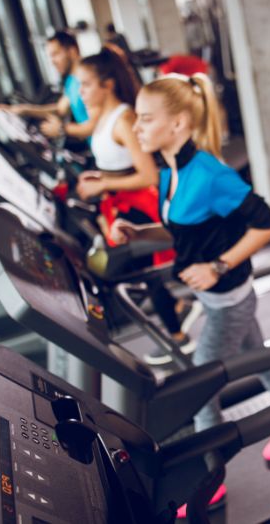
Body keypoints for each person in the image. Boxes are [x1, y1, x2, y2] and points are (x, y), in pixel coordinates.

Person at [110, 73, 270, 515]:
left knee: (201, 389)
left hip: (229, 298)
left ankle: (209, 482)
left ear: (179, 123)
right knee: (259, 357)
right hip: (218, 298)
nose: (138, 128)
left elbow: (267, 224)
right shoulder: (171, 170)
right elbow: (183, 230)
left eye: (147, 119)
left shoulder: (209, 173)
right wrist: (140, 233)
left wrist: (217, 266)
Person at [76, 46, 191, 353]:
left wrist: (104, 185)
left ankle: (178, 337)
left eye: (85, 85)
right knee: (145, 273)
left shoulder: (124, 119)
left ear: (107, 84)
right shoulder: (102, 117)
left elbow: (148, 175)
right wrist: (99, 180)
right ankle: (177, 311)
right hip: (117, 202)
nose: (80, 92)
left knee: (144, 272)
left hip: (137, 203)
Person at [0, 30, 98, 146]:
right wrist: (22, 110)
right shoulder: (71, 81)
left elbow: (96, 124)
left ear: (72, 51)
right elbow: (60, 109)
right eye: (50, 56)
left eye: (56, 54)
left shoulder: (92, 77)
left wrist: (62, 129)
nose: (52, 61)